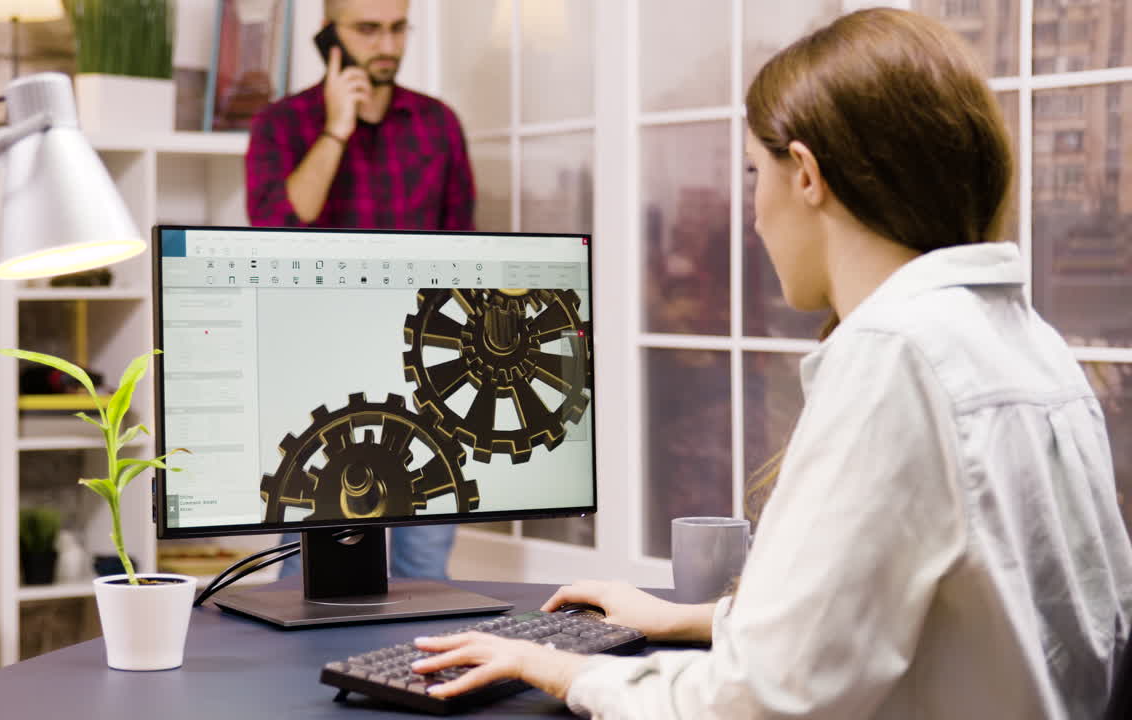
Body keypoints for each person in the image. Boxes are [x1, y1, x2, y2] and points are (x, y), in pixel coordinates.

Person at [409, 8, 1132, 717]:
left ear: (807, 175)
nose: (754, 213)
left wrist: (563, 670)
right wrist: (692, 618)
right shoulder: (1031, 344)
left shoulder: (896, 357)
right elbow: (938, 617)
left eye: (755, 171)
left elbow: (757, 703)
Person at [245, 0, 474, 580]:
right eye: (368, 30)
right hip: (319, 376)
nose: (387, 46)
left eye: (397, 28)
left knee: (426, 572)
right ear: (330, 36)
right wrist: (335, 130)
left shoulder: (438, 124)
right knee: (312, 570)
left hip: (427, 370)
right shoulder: (281, 125)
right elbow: (275, 232)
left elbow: (463, 255)